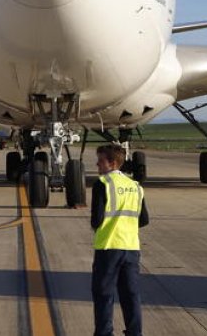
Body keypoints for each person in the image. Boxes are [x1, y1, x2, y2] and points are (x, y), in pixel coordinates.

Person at [91, 144, 149, 336]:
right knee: (131, 295)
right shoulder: (135, 186)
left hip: (108, 247)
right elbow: (144, 219)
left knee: (104, 295)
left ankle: (104, 333)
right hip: (131, 248)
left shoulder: (103, 183)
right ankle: (135, 332)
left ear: (112, 163)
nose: (97, 165)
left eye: (101, 161)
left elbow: (96, 219)